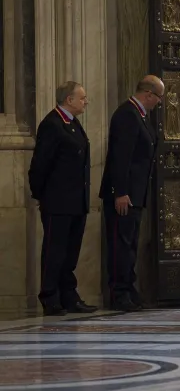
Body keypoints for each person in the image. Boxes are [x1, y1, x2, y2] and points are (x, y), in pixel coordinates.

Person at [28, 81, 98, 315]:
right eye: (82, 98)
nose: (86, 102)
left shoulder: (72, 123)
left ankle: (69, 295)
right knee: (54, 251)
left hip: (75, 201)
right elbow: (40, 165)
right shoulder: (52, 124)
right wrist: (40, 195)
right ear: (69, 100)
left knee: (70, 254)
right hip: (57, 201)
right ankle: (50, 296)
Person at [100, 75, 165, 312]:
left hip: (135, 194)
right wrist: (120, 191)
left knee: (129, 244)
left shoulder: (140, 116)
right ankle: (118, 293)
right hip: (124, 195)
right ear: (148, 94)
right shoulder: (127, 114)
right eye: (159, 97)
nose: (159, 102)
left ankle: (128, 288)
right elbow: (120, 156)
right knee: (120, 243)